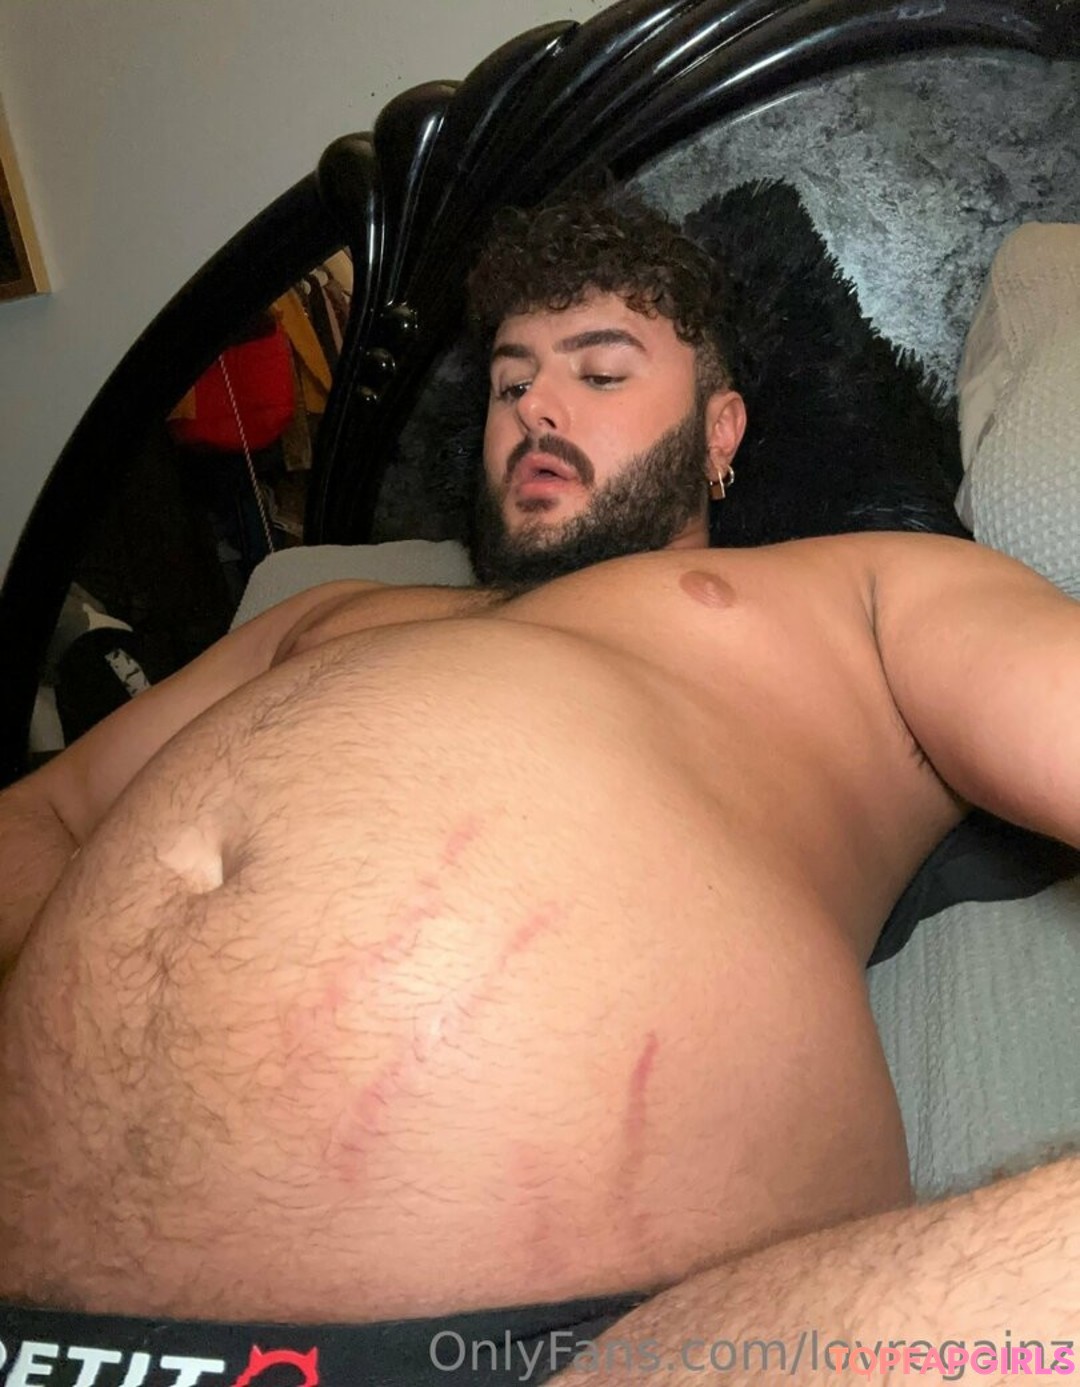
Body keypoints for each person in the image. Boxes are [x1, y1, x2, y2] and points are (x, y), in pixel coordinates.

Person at [0, 196, 1076, 1384]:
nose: (536, 410)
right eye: (511, 383)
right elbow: (41, 814)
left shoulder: (866, 588)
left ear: (721, 431)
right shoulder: (332, 609)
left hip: (596, 1346)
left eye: (600, 373)